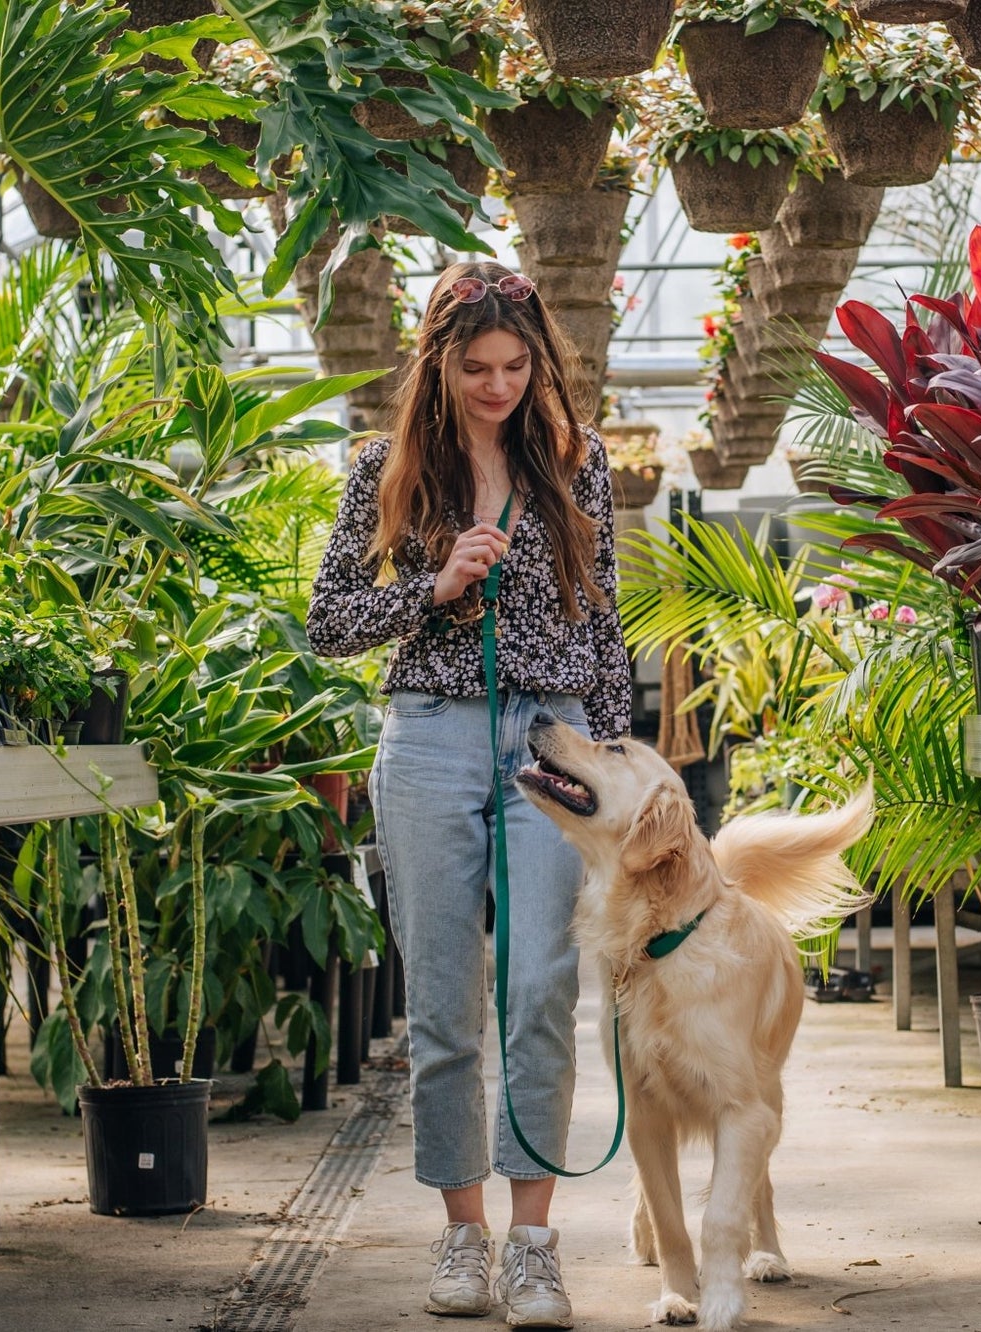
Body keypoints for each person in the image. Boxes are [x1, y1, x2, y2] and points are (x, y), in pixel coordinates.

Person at [307, 259, 633, 1328]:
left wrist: (618, 765)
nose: (498, 386)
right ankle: (462, 1234)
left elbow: (602, 622)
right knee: (445, 1002)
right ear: (437, 365)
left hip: (552, 739)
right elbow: (328, 623)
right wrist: (433, 585)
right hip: (431, 736)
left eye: (514, 367)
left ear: (539, 364)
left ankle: (534, 1247)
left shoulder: (577, 464)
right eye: (476, 368)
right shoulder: (383, 470)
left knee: (540, 987)